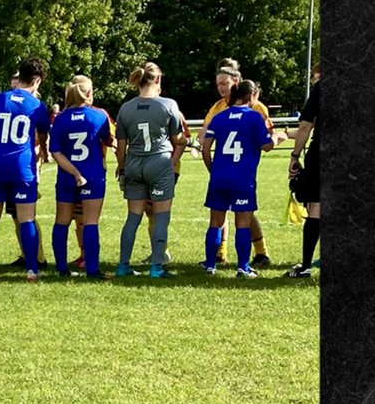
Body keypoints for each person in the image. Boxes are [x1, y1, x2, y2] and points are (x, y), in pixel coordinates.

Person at [0, 59, 50, 280]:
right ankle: (31, 269)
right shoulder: (36, 105)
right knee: (26, 218)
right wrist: (43, 154)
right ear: (36, 80)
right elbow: (43, 136)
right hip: (21, 167)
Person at [199, 59, 275, 267]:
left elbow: (205, 143)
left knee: (231, 217)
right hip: (241, 174)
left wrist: (212, 168)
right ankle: (229, 259)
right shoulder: (220, 108)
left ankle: (260, 252)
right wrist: (278, 139)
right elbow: (267, 142)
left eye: (224, 84)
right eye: (218, 84)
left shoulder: (254, 108)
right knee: (240, 216)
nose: (221, 88)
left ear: (237, 83)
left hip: (224, 172)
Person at [114, 62, 186, 279]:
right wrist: (180, 153)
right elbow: (178, 139)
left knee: (133, 217)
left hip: (134, 162)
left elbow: (121, 147)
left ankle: (123, 265)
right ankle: (156, 267)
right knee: (161, 216)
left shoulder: (126, 108)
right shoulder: (168, 105)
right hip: (159, 162)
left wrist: (123, 167)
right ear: (158, 80)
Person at [49, 76, 113, 280]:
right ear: (89, 94)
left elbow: (56, 152)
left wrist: (74, 173)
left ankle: (61, 268)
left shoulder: (60, 119)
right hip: (93, 175)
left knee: (62, 221)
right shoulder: (98, 116)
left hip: (67, 177)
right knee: (91, 222)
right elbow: (109, 140)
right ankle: (92, 270)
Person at [287, 71, 320, 278]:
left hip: (322, 152)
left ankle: (306, 266)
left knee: (316, 206)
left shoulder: (320, 89)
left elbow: (305, 124)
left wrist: (295, 155)